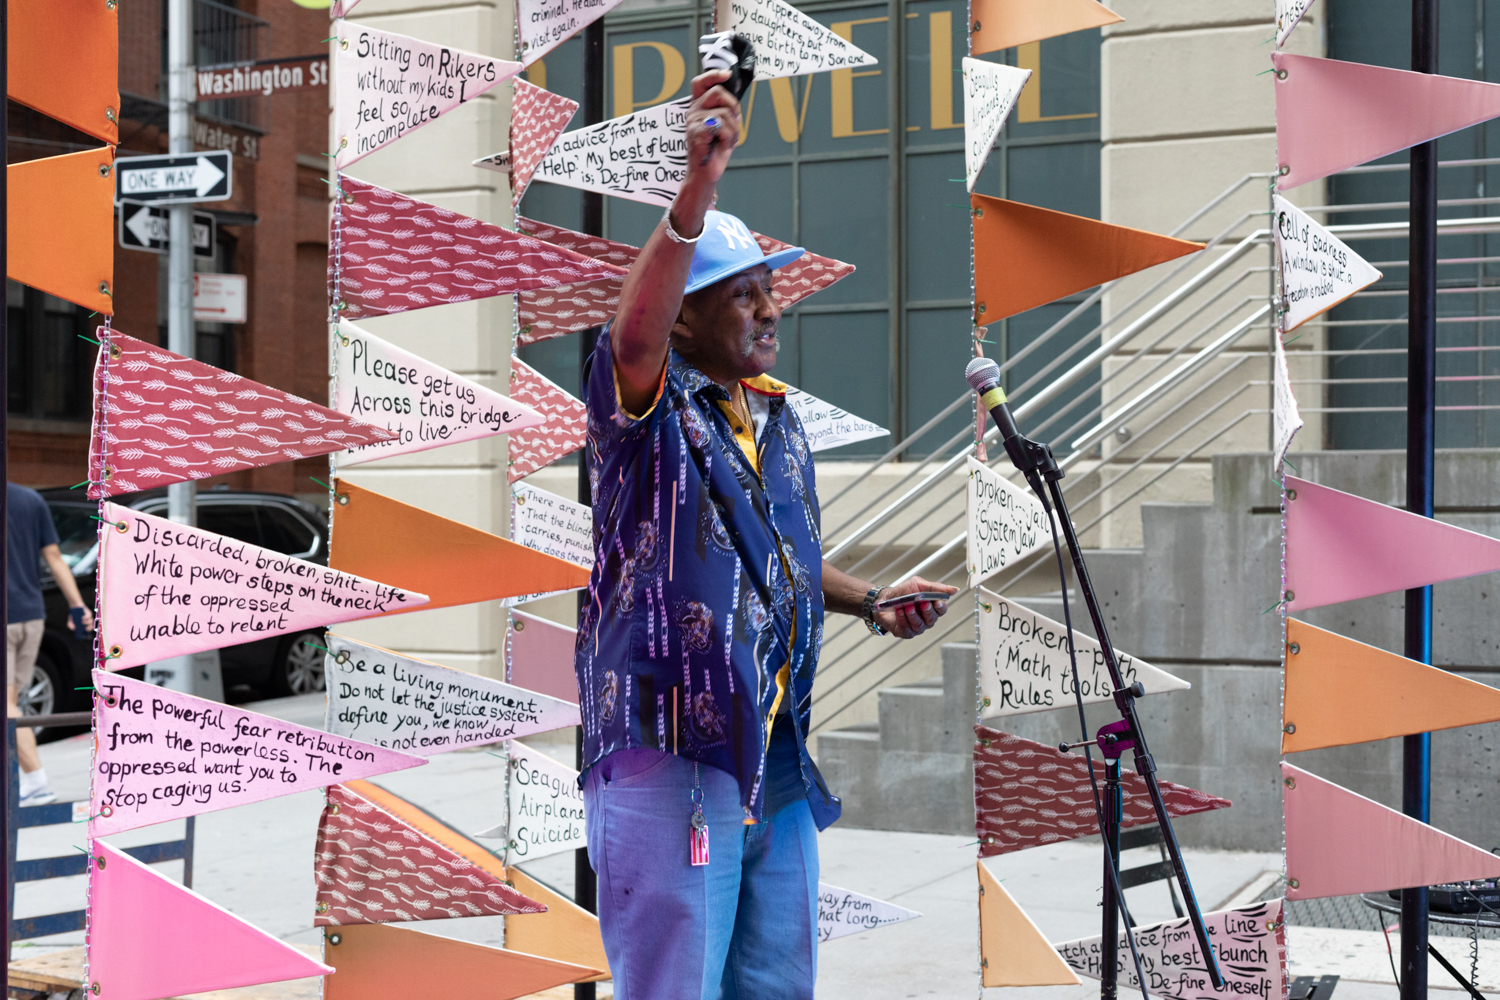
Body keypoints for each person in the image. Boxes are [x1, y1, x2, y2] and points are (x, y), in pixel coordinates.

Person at [575, 67, 959, 1000]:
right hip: (672, 747)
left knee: (779, 979)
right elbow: (633, 336)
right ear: (688, 320)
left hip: (773, 740)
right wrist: (697, 189)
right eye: (743, 295)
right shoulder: (647, 409)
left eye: (770, 292)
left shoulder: (776, 419)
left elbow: (772, 559)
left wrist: (870, 600)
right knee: (676, 984)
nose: (771, 308)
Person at [7, 482, 92, 806]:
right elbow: (54, 556)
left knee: (7, 706)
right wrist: (76, 605)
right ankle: (26, 779)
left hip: (6, 615)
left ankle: (36, 781)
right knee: (12, 702)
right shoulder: (30, 498)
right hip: (31, 614)